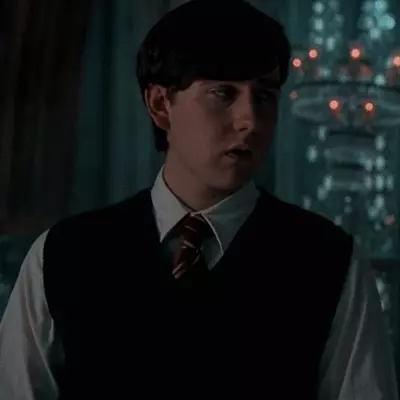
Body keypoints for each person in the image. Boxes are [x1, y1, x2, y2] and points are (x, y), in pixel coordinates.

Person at [0, 0, 398, 399]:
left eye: (264, 96)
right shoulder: (64, 255)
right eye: (223, 92)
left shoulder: (328, 261)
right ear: (160, 105)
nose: (250, 121)